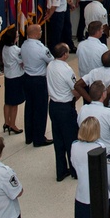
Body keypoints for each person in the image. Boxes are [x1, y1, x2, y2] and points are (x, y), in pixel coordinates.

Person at [78, 81, 110, 207]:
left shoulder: (83, 110)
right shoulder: (109, 113)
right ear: (104, 95)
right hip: (108, 154)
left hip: (88, 152)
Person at [47, 42, 79, 182]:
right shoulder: (66, 69)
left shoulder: (50, 65)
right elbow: (75, 89)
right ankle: (74, 170)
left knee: (58, 139)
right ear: (65, 55)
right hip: (66, 107)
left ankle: (61, 171)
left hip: (53, 105)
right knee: (71, 139)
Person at [20, 24, 54, 146]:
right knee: (40, 109)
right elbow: (51, 61)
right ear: (35, 33)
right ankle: (39, 138)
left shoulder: (24, 45)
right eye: (40, 31)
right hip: (39, 80)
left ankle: (29, 136)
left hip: (27, 78)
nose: (41, 32)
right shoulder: (41, 49)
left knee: (29, 108)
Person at [0, 28, 25, 135]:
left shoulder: (5, 48)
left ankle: (6, 122)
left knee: (8, 102)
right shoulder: (16, 50)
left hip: (8, 76)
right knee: (14, 104)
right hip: (16, 77)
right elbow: (22, 62)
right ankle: (13, 124)